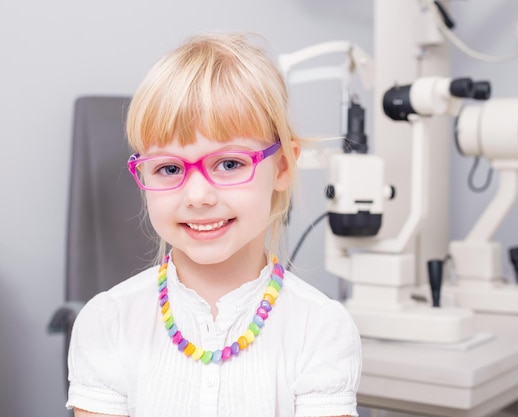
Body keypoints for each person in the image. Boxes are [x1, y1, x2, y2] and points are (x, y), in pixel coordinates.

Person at [65, 32, 362, 417]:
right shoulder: (108, 323)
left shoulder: (320, 329)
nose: (198, 196)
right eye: (169, 168)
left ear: (283, 166)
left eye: (229, 164)